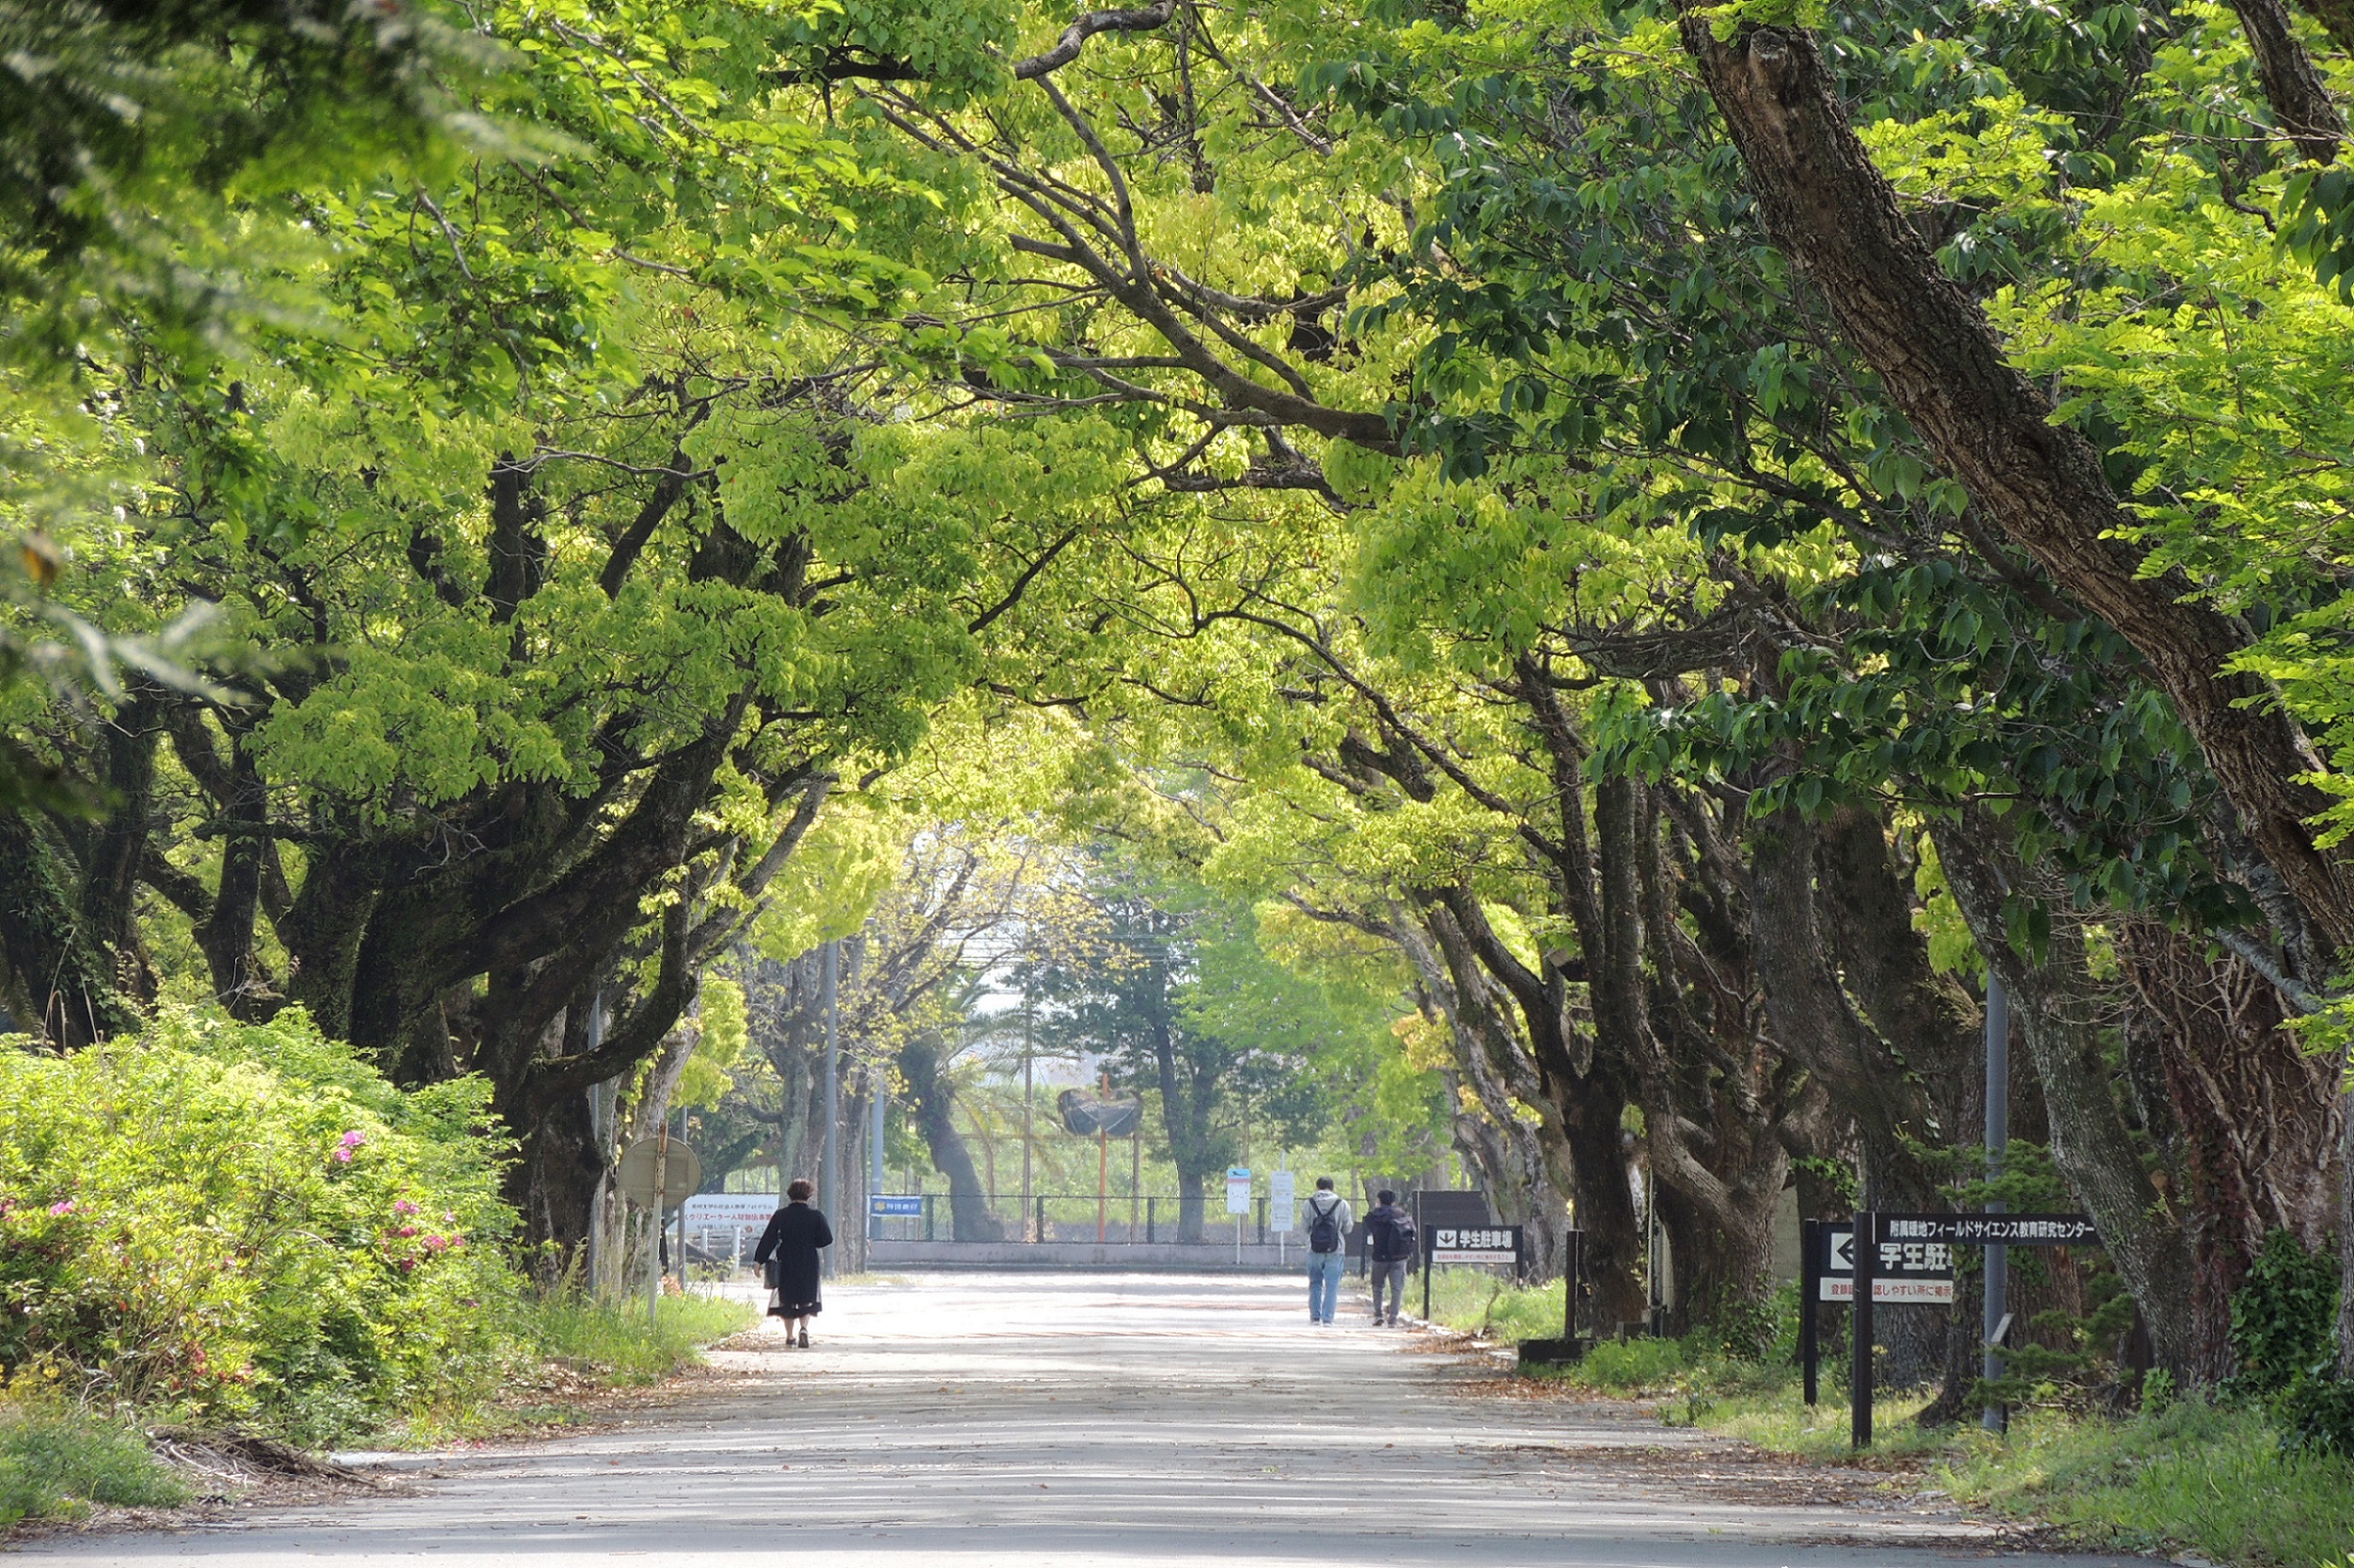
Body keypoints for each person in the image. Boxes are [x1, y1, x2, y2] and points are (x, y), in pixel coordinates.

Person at [752, 1178, 833, 1348]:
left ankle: (789, 1336)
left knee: (787, 1299)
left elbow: (769, 1239)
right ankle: (803, 1328)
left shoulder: (781, 1215)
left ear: (790, 1194)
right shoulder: (816, 1216)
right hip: (809, 1261)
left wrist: (759, 1260)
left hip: (786, 1260)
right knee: (806, 1298)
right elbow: (827, 1239)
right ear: (809, 1195)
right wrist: (813, 1242)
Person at [1301, 1177, 1352, 1326]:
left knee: (1315, 1283)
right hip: (1336, 1249)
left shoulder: (1309, 1203)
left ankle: (1315, 1317)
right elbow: (1348, 1228)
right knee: (1332, 1284)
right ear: (1332, 1187)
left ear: (1317, 1187)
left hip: (1314, 1248)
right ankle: (1328, 1318)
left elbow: (1304, 1228)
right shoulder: (1342, 1204)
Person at [1362, 1189, 1417, 1327]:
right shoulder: (1400, 1214)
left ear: (1379, 1200)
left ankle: (1378, 1315)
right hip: (1399, 1256)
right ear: (1393, 1201)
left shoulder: (1374, 1215)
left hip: (1379, 1256)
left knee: (1377, 1286)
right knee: (1397, 1288)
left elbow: (1368, 1226)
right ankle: (1393, 1317)